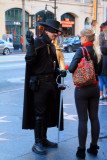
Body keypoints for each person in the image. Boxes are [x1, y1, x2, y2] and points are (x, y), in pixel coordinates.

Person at [22, 19, 66, 155]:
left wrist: (59, 71)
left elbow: (52, 64)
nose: (56, 35)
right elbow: (29, 59)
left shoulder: (51, 45)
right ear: (47, 31)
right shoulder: (37, 43)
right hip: (39, 84)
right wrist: (29, 44)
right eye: (54, 32)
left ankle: (44, 139)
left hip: (50, 83)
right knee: (40, 114)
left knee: (46, 113)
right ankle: (38, 142)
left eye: (57, 33)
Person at [69, 28, 102, 159]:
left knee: (83, 119)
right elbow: (99, 70)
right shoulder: (97, 51)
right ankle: (93, 147)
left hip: (82, 89)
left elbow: (71, 68)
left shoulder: (81, 51)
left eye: (81, 37)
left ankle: (81, 150)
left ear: (85, 38)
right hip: (95, 88)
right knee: (94, 117)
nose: (80, 39)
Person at [99, 25, 107, 99]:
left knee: (100, 80)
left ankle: (101, 95)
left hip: (101, 58)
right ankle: (106, 93)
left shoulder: (100, 35)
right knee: (106, 79)